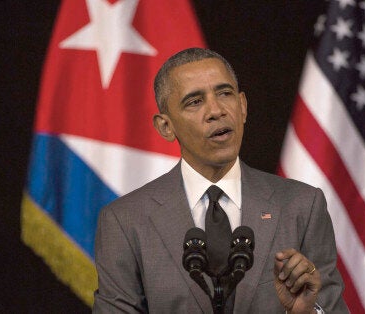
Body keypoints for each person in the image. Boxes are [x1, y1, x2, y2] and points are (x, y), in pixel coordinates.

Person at [93, 48, 348, 313]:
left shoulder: (302, 206)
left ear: (243, 106)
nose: (216, 110)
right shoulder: (125, 221)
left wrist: (308, 313)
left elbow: (331, 306)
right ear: (166, 127)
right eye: (194, 101)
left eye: (224, 93)